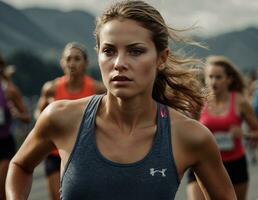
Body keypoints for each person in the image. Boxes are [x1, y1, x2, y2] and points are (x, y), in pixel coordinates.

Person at [6, 1, 236, 199]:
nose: (119, 63)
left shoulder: (190, 136)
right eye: (109, 51)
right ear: (98, 54)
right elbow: (20, 165)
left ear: (161, 58)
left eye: (135, 51)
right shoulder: (60, 118)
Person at [34, 42, 106, 200]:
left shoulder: (98, 89)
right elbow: (39, 114)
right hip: (55, 152)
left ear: (86, 63)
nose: (72, 63)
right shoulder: (51, 88)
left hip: (84, 153)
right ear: (62, 63)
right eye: (68, 59)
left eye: (77, 59)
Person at [187, 55, 258, 200]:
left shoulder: (240, 102)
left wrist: (244, 134)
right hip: (203, 164)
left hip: (234, 165)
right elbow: (188, 130)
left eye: (218, 77)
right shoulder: (199, 102)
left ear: (229, 79)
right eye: (210, 77)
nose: (213, 81)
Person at [0, 54, 30, 199]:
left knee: (2, 191)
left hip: (4, 143)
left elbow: (27, 117)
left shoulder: (8, 90)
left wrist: (17, 114)